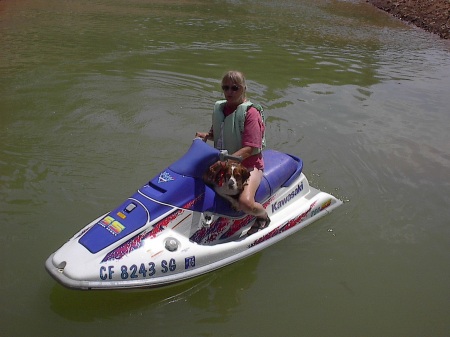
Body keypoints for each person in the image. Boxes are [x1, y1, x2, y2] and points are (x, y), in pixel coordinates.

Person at [196, 70, 270, 235]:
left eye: (234, 88)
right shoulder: (221, 108)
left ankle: (263, 217)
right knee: (198, 177)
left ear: (244, 88)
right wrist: (206, 136)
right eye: (226, 87)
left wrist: (225, 163)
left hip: (249, 166)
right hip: (225, 164)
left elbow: (251, 148)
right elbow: (218, 133)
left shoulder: (251, 114)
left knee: (245, 203)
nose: (229, 92)